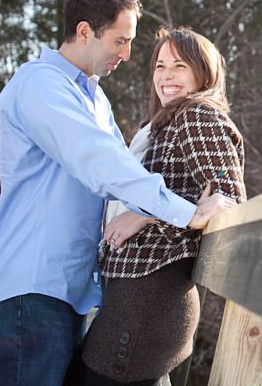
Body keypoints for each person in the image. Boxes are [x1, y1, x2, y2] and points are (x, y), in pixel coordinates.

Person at [0, 0, 231, 386]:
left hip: (68, 292)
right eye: (120, 41)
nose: (127, 55)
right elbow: (100, 163)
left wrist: (147, 216)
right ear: (85, 32)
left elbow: (124, 171)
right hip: (29, 287)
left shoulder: (94, 98)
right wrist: (186, 213)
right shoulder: (39, 85)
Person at [79, 26, 246, 385]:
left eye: (180, 66)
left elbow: (229, 204)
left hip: (151, 296)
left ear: (204, 72)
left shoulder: (198, 117)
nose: (166, 76)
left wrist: (145, 216)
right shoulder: (159, 125)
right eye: (160, 65)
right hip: (128, 297)